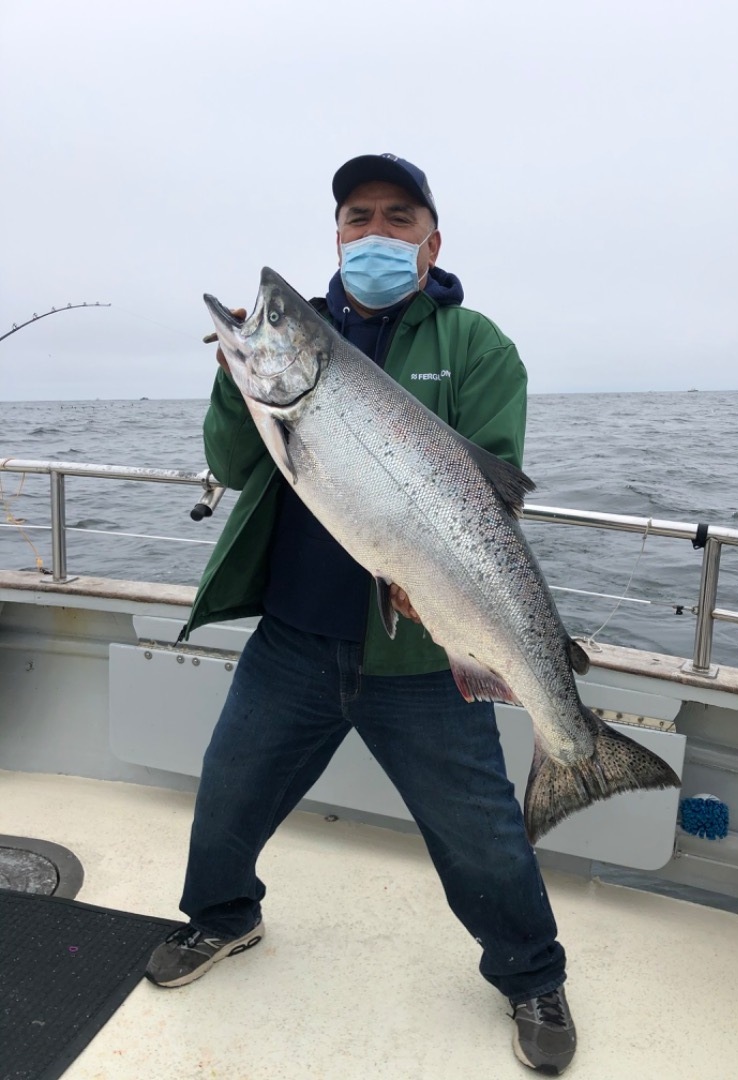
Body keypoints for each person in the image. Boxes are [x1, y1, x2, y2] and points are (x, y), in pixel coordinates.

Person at [146, 153, 577, 1075]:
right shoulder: (291, 345)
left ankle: (533, 974)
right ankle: (222, 918)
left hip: (424, 657)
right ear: (335, 234)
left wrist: (450, 592)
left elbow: (492, 483)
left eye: (396, 217)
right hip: (296, 638)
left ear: (431, 238)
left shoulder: (478, 346)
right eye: (356, 218)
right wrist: (238, 372)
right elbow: (232, 464)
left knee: (482, 838)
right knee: (228, 796)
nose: (374, 234)